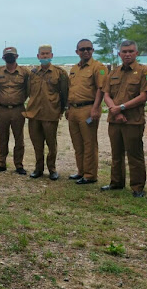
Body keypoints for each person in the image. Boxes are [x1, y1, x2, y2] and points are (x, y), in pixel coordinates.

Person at [102, 40, 147, 197]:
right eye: (124, 51)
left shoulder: (144, 71)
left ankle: (137, 187)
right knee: (116, 153)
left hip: (133, 121)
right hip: (115, 120)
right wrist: (115, 111)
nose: (127, 54)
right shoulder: (114, 72)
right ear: (120, 54)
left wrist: (121, 108)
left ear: (136, 53)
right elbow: (106, 94)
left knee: (134, 154)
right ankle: (116, 182)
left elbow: (143, 96)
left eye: (131, 51)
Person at [24, 45, 68, 180]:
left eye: (47, 54)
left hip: (50, 113)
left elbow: (65, 94)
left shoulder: (59, 73)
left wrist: (61, 110)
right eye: (42, 54)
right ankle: (38, 168)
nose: (44, 56)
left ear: (51, 55)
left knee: (51, 143)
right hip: (34, 114)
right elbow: (28, 92)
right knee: (37, 144)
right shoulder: (32, 73)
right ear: (38, 56)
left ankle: (52, 169)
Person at [66, 39, 107, 184]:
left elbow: (101, 89)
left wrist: (95, 108)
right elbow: (70, 89)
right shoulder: (74, 69)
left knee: (89, 143)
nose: (85, 51)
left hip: (88, 109)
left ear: (93, 50)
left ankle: (90, 175)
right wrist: (67, 108)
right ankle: (81, 171)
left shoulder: (98, 67)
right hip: (73, 110)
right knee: (77, 143)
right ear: (77, 52)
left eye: (88, 49)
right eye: (82, 49)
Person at [0, 47, 30, 175]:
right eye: (7, 56)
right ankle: (1, 163)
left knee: (19, 138)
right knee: (2, 138)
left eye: (12, 55)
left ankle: (19, 165)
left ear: (17, 56)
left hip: (18, 109)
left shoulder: (24, 73)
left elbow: (29, 90)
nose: (10, 58)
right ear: (3, 58)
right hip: (2, 109)